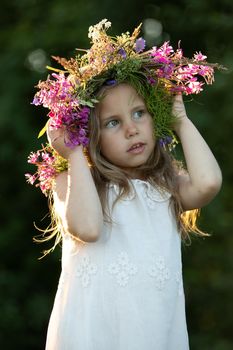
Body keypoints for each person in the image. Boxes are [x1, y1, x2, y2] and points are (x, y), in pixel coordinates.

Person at [26, 20, 222, 350]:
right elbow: (88, 228)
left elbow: (208, 183)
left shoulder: (165, 184)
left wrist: (181, 121)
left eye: (140, 113)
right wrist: (74, 152)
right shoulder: (71, 182)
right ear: (92, 138)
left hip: (154, 334)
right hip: (94, 336)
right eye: (113, 122)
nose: (132, 129)